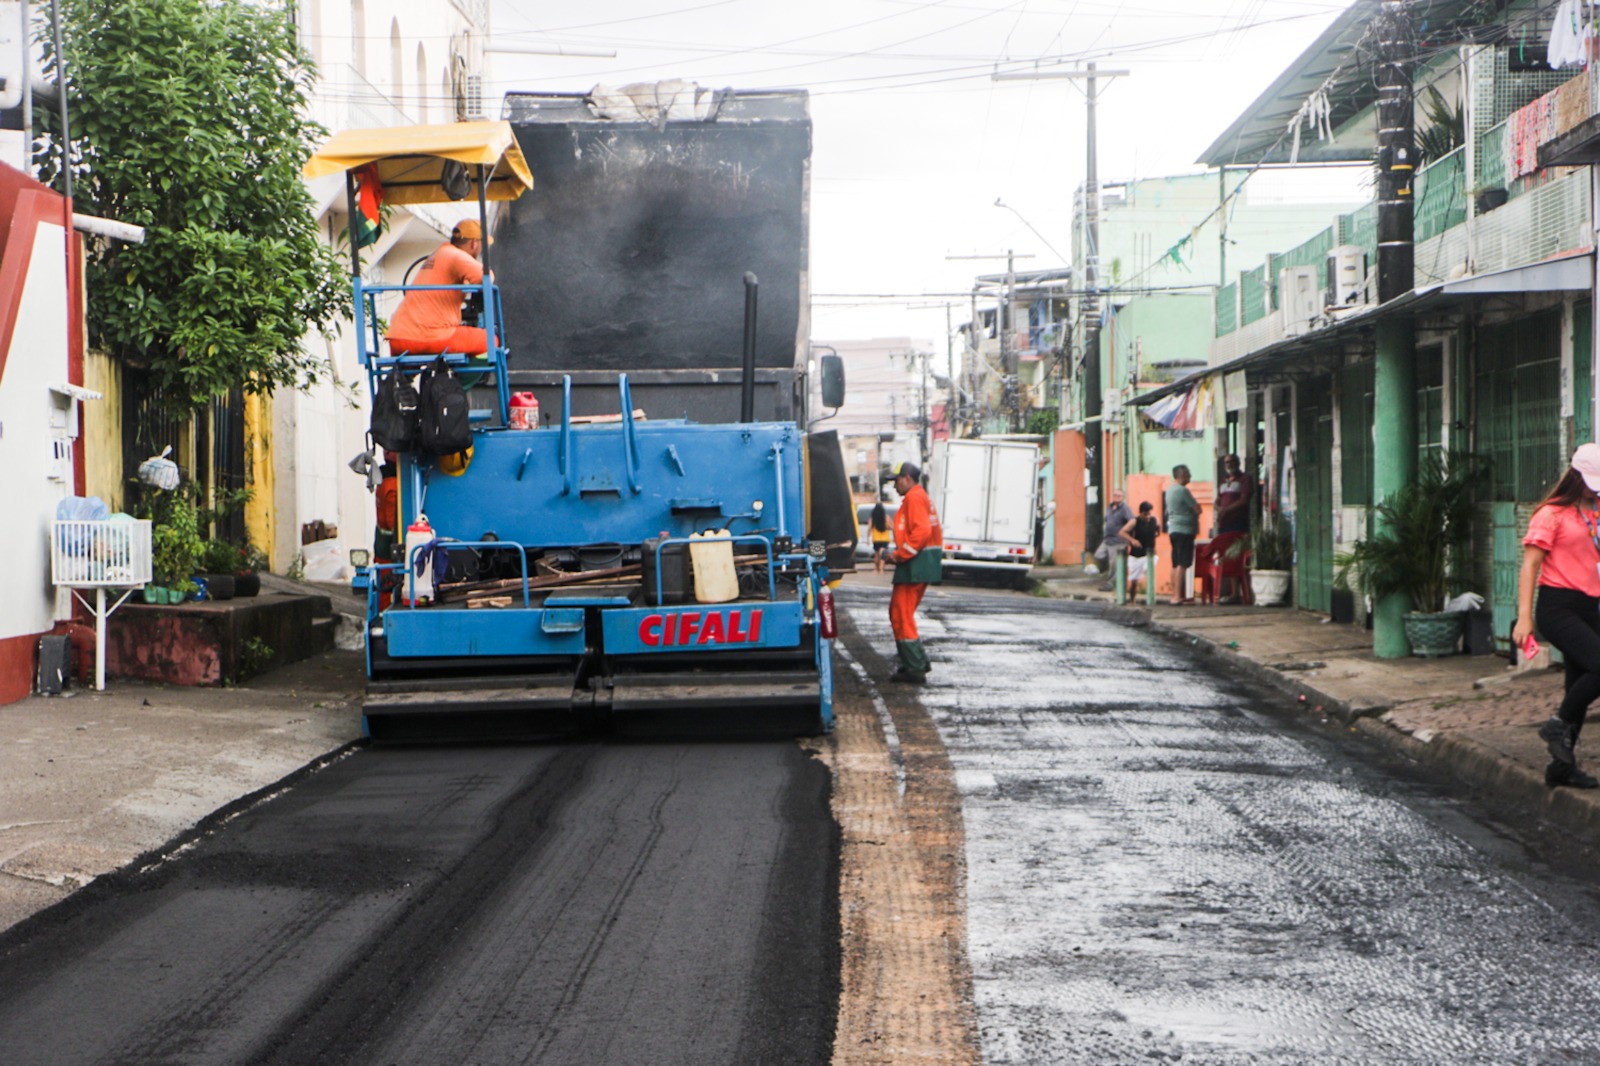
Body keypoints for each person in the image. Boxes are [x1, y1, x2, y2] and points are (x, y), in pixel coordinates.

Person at [1514, 443, 1600, 789]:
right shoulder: (1551, 514)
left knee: (1578, 683)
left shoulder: (1596, 511)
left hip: (1591, 605)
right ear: (1575, 476)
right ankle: (1557, 725)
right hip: (1558, 606)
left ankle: (1561, 769)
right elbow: (1530, 565)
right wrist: (1524, 618)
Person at [386, 220, 494, 356]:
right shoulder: (455, 255)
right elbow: (486, 277)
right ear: (474, 243)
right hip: (430, 336)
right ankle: (464, 376)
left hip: (399, 337)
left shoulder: (438, 254)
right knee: (492, 340)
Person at [887, 461, 943, 684]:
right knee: (899, 612)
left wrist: (901, 555)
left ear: (907, 478)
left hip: (915, 565)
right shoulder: (918, 497)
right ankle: (915, 663)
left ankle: (915, 668)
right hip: (917, 564)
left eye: (896, 481)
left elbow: (921, 531)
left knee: (901, 614)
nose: (894, 486)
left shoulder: (914, 498)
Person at [1213, 453, 1255, 604]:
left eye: (1231, 461)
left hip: (1238, 523)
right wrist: (1219, 509)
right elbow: (1217, 500)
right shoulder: (1223, 481)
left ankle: (1243, 592)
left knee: (1239, 556)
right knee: (1228, 557)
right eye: (1226, 462)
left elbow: (1244, 500)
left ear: (1238, 462)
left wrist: (1227, 509)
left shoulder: (1245, 479)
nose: (1229, 464)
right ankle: (1233, 592)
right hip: (1224, 524)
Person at [1163, 464, 1199, 605]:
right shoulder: (1183, 491)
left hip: (1174, 530)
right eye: (1188, 473)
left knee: (1176, 562)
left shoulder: (1170, 490)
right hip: (1184, 530)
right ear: (1182, 474)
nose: (1190, 475)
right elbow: (1197, 509)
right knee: (1183, 563)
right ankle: (1177, 596)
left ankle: (1175, 594)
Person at [1120, 501, 1159, 600]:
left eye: (1149, 513)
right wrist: (1132, 540)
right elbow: (1122, 532)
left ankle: (1150, 597)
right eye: (1145, 514)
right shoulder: (1134, 521)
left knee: (1148, 569)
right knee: (1134, 580)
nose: (1147, 516)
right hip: (1136, 554)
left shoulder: (1154, 520)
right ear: (1141, 512)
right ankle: (1132, 599)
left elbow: (1157, 530)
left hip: (1150, 553)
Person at [1098, 488, 1134, 593]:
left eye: (1119, 495)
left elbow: (1132, 520)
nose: (1116, 497)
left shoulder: (1125, 508)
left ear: (1123, 497)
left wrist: (1124, 531)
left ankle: (1110, 584)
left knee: (1114, 564)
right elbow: (1107, 520)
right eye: (1115, 495)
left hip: (1118, 540)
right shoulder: (1109, 507)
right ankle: (1109, 577)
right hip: (1107, 539)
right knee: (1098, 555)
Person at [870, 500, 892, 574]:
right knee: (882, 553)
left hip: (876, 539)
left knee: (876, 554)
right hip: (885, 539)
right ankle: (881, 569)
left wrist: (868, 539)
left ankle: (876, 569)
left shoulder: (872, 518)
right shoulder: (886, 517)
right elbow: (890, 527)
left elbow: (869, 528)